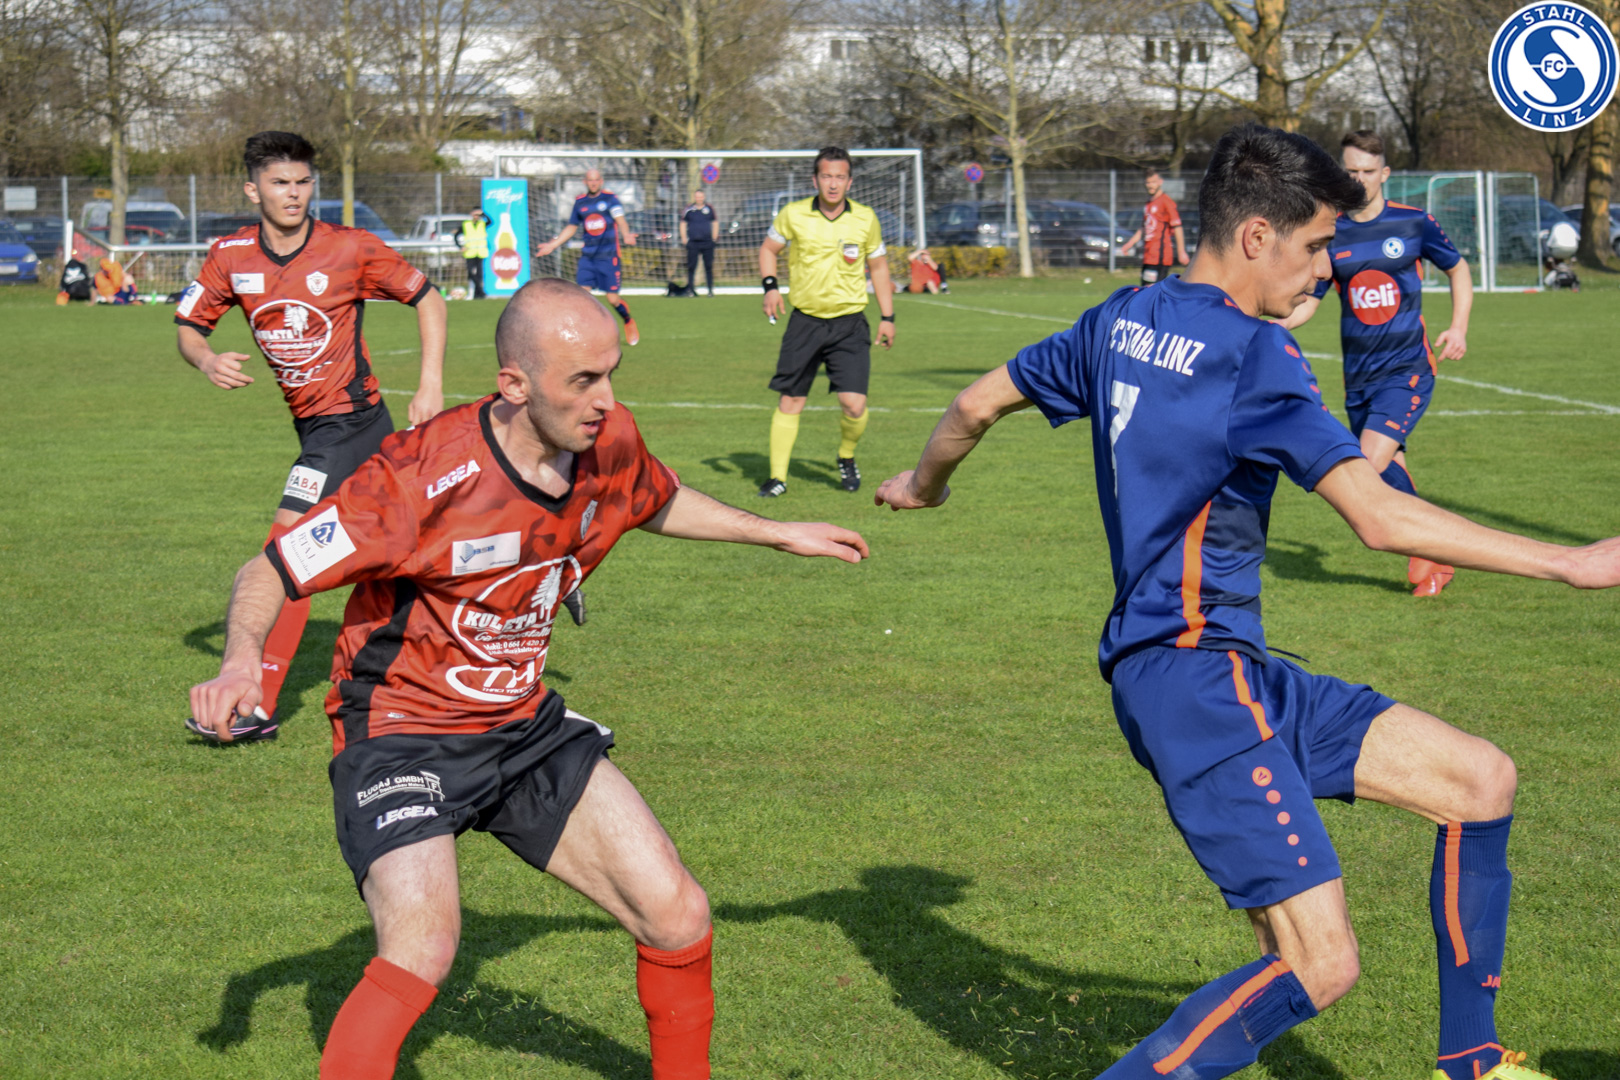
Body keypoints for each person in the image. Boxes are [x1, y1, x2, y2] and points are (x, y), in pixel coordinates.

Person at [875, 123, 1619, 1080]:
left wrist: (924, 486)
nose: (1327, 270)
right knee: (1319, 963)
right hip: (1197, 682)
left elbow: (975, 405)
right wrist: (1571, 563)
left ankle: (1470, 1061)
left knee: (1479, 780)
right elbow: (1379, 518)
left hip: (1220, 671)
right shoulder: (1255, 355)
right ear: (1258, 236)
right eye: (1316, 247)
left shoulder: (1120, 318)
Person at [188, 278, 870, 1080]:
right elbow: (273, 568)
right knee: (422, 946)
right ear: (514, 384)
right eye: (583, 380)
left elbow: (649, 496)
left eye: (611, 374)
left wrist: (775, 533)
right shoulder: (416, 480)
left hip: (521, 725)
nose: (606, 401)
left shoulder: (606, 438)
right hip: (404, 734)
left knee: (677, 913)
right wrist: (241, 661)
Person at [176, 130, 447, 743]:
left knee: (285, 551)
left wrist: (429, 385)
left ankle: (253, 703)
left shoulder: (348, 247)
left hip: (350, 424)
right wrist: (206, 359)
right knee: (396, 555)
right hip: (318, 430)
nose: (293, 193)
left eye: (302, 182)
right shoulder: (231, 256)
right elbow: (189, 326)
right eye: (279, 183)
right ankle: (535, 576)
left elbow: (429, 298)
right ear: (253, 190)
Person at [1279, 129, 1474, 597]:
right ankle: (1435, 554)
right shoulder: (1332, 232)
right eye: (1351, 171)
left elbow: (1458, 267)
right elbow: (1310, 302)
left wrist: (1458, 327)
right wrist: (1265, 324)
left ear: (1384, 173)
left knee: (1366, 465)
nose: (1359, 179)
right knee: (1386, 474)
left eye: (1368, 171)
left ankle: (1438, 546)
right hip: (1358, 378)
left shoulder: (1414, 222)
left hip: (1407, 370)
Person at [758, 146, 895, 497]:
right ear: (815, 179)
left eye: (839, 177)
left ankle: (846, 455)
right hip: (805, 322)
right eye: (826, 176)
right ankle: (777, 478)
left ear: (850, 182)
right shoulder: (793, 214)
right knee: (791, 401)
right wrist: (770, 287)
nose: (833, 184)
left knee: (854, 404)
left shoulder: (865, 218)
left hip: (850, 324)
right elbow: (768, 249)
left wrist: (887, 316)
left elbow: (879, 267)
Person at [535, 168, 640, 346]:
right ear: (585, 182)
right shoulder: (580, 202)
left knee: (612, 299)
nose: (593, 183)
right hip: (588, 257)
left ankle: (628, 320)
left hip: (608, 257)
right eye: (590, 180)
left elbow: (620, 220)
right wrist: (553, 245)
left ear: (601, 181)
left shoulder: (610, 199)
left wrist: (626, 234)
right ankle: (588, 334)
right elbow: (572, 227)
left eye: (596, 180)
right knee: (582, 296)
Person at [1119, 169, 1188, 285]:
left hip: (1160, 255)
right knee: (1146, 289)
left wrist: (1181, 252)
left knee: (1153, 290)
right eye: (1148, 182)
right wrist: (1129, 244)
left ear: (1160, 182)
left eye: (1153, 182)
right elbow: (1144, 227)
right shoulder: (1148, 203)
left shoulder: (1166, 202)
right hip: (1148, 255)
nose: (1150, 185)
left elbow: (1177, 227)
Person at [680, 189, 717, 296]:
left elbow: (715, 222)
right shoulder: (689, 209)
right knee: (691, 267)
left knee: (708, 266)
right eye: (697, 196)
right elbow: (683, 223)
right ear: (694, 197)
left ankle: (710, 290)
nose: (699, 199)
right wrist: (684, 238)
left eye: (701, 196)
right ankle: (691, 290)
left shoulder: (709, 208)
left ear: (703, 197)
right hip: (693, 242)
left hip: (707, 242)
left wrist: (714, 237)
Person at [454, 208, 489, 300]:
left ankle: (478, 294)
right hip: (469, 252)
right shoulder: (466, 224)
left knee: (479, 274)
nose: (476, 216)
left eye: (478, 215)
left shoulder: (482, 224)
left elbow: (491, 221)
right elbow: (456, 235)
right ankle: (480, 291)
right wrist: (460, 246)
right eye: (475, 214)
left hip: (480, 252)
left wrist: (483, 214)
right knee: (471, 273)